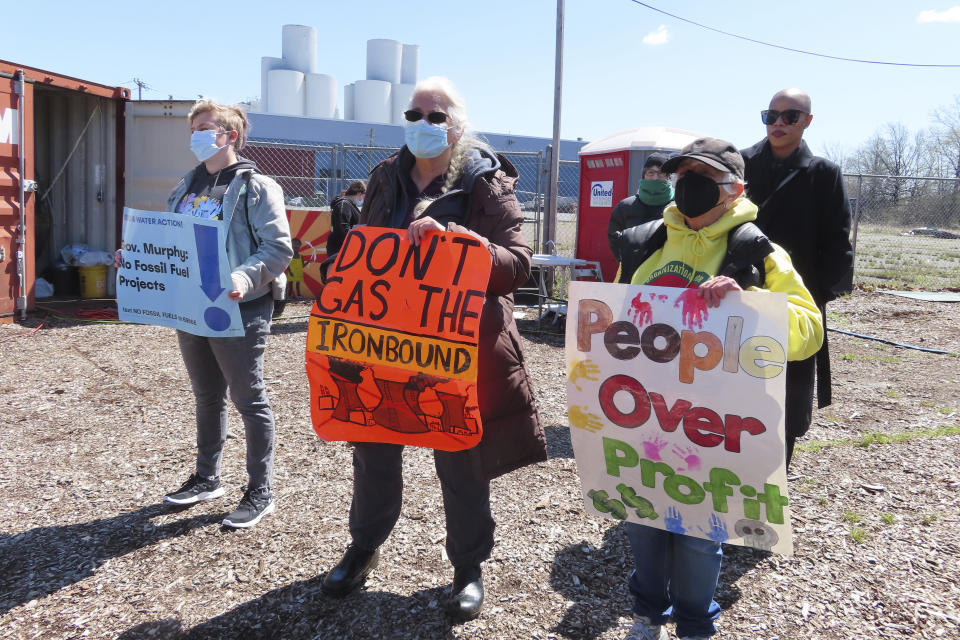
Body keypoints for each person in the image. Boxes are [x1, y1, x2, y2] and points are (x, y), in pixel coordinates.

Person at [319, 76, 546, 621]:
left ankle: (468, 566)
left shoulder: (486, 181)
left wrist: (471, 247)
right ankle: (364, 546)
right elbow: (367, 248)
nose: (425, 124)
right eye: (415, 114)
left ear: (458, 125)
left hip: (455, 348)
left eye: (437, 116)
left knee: (460, 454)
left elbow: (517, 264)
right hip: (384, 341)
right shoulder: (384, 178)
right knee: (373, 448)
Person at [614, 138, 823, 640]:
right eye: (684, 177)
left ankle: (694, 624)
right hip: (646, 413)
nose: (690, 188)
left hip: (713, 424)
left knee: (699, 537)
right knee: (641, 519)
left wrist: (749, 303)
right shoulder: (648, 241)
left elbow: (809, 329)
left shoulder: (758, 252)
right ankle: (646, 613)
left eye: (704, 179)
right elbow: (616, 319)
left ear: (734, 191)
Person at [128, 100, 293, 528]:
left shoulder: (255, 186)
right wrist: (136, 258)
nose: (196, 136)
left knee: (248, 398)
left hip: (240, 307)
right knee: (207, 396)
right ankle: (207, 477)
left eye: (204, 128)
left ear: (230, 135)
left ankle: (261, 489)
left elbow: (277, 248)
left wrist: (243, 276)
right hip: (193, 307)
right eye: (194, 129)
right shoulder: (187, 186)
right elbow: (171, 243)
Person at [741, 88, 854, 466]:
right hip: (739, 290)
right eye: (770, 115)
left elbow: (837, 240)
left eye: (789, 116)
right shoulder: (741, 164)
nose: (778, 123)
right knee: (734, 377)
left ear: (807, 121)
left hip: (793, 297)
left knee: (788, 386)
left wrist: (816, 296)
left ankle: (776, 470)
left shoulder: (823, 173)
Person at [607, 153, 673, 261]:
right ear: (644, 175)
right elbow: (614, 238)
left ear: (668, 177)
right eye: (650, 172)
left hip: (667, 271)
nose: (655, 178)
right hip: (634, 271)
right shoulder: (625, 207)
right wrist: (626, 261)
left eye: (661, 173)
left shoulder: (678, 208)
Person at [326, 180, 366, 255]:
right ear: (359, 193)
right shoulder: (344, 204)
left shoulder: (349, 204)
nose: (363, 200)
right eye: (364, 197)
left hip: (345, 247)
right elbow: (342, 228)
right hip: (340, 248)